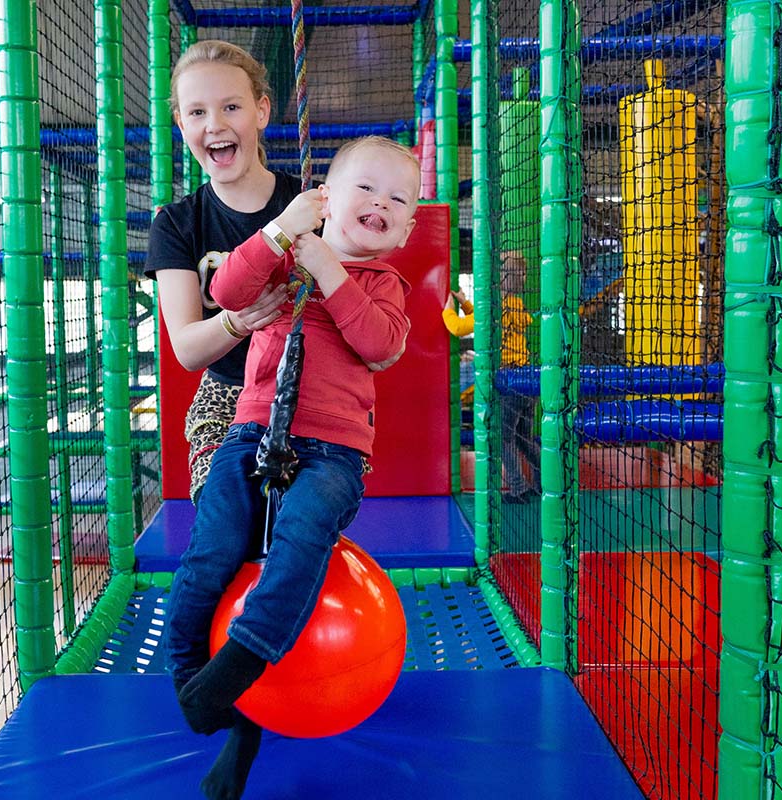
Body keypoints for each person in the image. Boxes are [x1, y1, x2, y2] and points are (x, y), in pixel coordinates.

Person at [166, 136, 419, 800]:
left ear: (408, 227)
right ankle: (193, 675)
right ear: (326, 199)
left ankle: (243, 659)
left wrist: (330, 269)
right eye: (366, 189)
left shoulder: (384, 284)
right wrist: (280, 234)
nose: (381, 204)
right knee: (214, 544)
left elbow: (379, 345)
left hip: (332, 452)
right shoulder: (284, 261)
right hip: (250, 433)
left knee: (301, 535)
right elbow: (225, 287)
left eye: (398, 200)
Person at [145, 40, 299, 504]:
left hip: (303, 390)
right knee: (225, 514)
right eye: (196, 113)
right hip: (226, 394)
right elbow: (189, 349)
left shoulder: (306, 205)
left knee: (303, 517)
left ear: (261, 111)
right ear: (181, 124)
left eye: (231, 106)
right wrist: (240, 319)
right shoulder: (176, 224)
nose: (214, 125)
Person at [442, 251, 539, 498]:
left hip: (509, 382)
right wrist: (465, 303)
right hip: (528, 380)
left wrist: (448, 310)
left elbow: (458, 328)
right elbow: (485, 320)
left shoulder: (495, 305)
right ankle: (541, 484)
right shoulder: (514, 304)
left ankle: (518, 489)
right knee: (524, 438)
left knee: (503, 438)